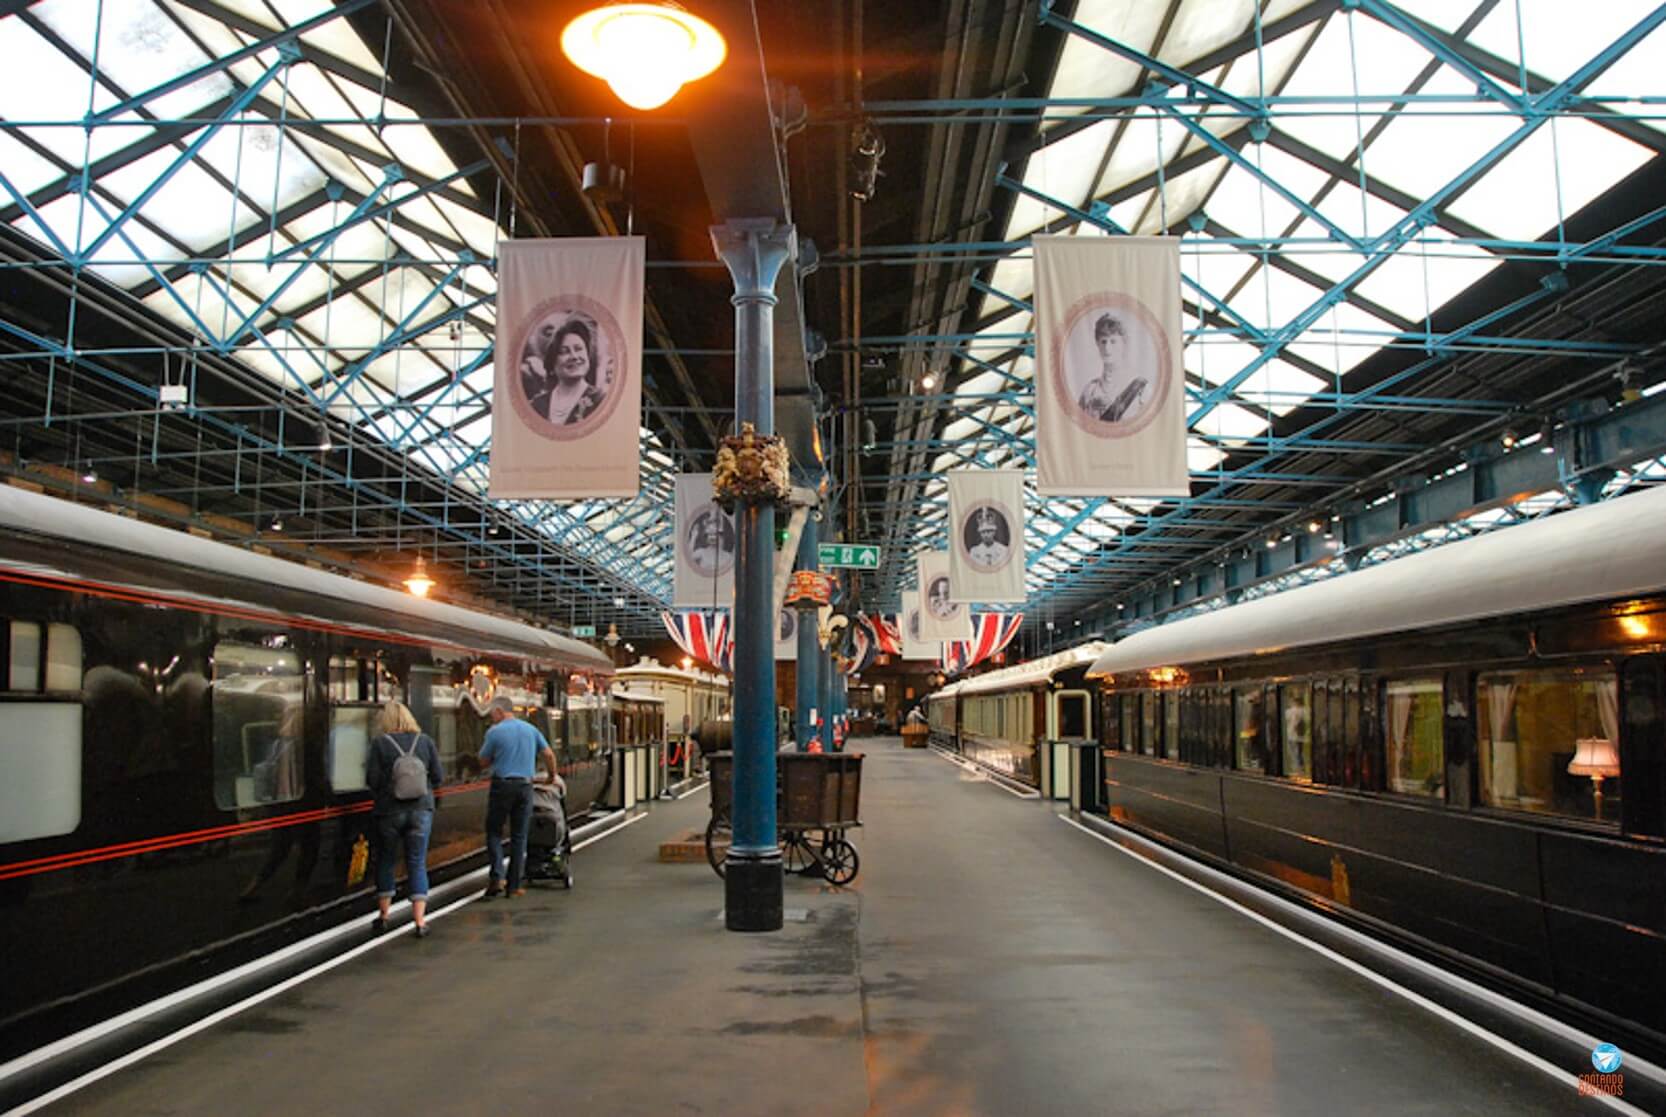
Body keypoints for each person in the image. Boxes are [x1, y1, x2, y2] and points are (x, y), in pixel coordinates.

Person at [365, 700, 444, 938]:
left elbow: (372, 780)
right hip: (421, 810)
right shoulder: (426, 741)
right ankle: (419, 922)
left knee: (387, 860)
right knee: (417, 862)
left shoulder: (380, 744)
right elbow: (438, 776)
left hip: (389, 811)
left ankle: (384, 916)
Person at [479, 695, 558, 898]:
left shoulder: (494, 732)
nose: (491, 717)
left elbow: (483, 761)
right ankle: (514, 886)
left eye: (491, 714)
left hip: (502, 786)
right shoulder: (530, 730)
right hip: (525, 785)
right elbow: (549, 754)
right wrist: (551, 776)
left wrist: (497, 756)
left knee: (494, 831)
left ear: (498, 711)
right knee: (519, 835)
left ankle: (497, 876)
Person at [1076, 312, 1150, 423]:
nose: (1107, 348)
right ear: (1097, 344)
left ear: (1124, 343)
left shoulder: (1141, 390)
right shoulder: (1089, 391)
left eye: (1113, 341)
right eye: (1103, 341)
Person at [542, 319, 607, 426]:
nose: (574, 356)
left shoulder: (601, 401)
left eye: (579, 349)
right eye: (564, 351)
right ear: (551, 362)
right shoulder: (537, 405)